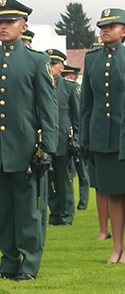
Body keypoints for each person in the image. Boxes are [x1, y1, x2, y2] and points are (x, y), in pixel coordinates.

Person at [0, 0, 57, 282]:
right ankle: (8, 264)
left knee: (28, 212)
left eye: (9, 22)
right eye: (0, 22)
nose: (3, 27)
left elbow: (48, 109)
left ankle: (29, 265)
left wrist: (47, 147)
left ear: (24, 26)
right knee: (2, 215)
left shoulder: (37, 61)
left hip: (26, 150)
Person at [80, 9, 125, 263]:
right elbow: (87, 104)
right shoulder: (93, 60)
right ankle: (117, 247)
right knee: (114, 193)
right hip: (104, 138)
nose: (105, 30)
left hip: (123, 134)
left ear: (124, 31)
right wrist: (85, 137)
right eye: (102, 26)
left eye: (112, 25)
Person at [46, 49, 78, 227]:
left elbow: (77, 116)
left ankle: (66, 215)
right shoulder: (40, 85)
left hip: (63, 141)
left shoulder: (69, 87)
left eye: (53, 64)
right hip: (45, 142)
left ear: (61, 66)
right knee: (49, 181)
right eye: (48, 64)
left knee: (64, 181)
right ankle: (54, 214)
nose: (50, 68)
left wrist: (77, 140)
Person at [63, 65, 90, 212]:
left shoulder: (74, 89)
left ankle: (83, 203)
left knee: (83, 174)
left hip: (76, 138)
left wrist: (79, 139)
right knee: (67, 174)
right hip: (65, 139)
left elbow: (78, 116)